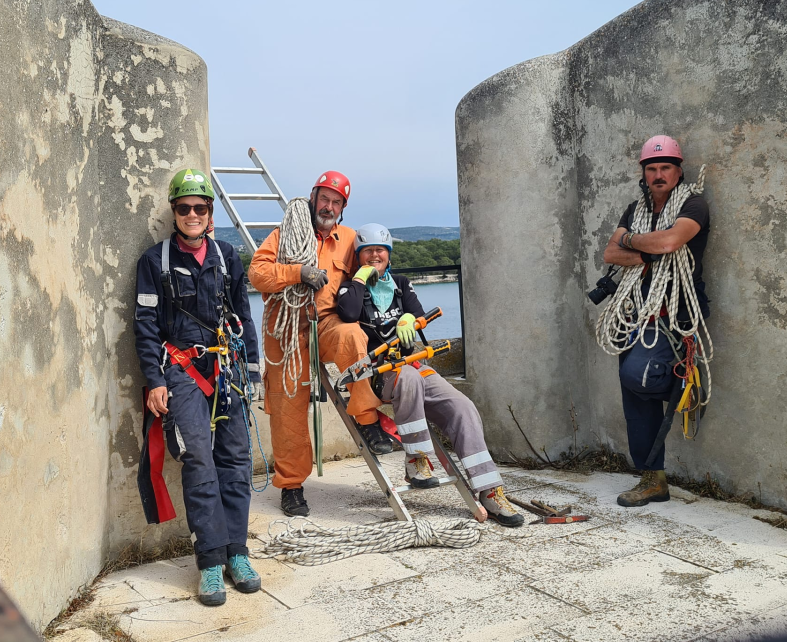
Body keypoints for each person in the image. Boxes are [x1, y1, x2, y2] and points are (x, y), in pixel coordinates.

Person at [335, 223, 525, 527]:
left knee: (462, 407)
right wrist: (360, 278)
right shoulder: (349, 288)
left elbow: (417, 312)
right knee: (408, 379)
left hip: (412, 364)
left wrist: (409, 319)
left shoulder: (400, 284)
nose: (374, 256)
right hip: (379, 374)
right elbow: (347, 312)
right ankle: (416, 460)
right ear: (358, 256)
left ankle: (489, 489)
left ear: (389, 254)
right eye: (367, 251)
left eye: (380, 250)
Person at [133, 168, 262, 606]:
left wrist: (252, 372)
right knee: (199, 461)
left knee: (236, 459)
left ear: (210, 213)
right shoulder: (155, 262)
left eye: (200, 208)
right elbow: (145, 327)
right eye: (185, 207)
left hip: (226, 368)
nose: (192, 214)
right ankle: (209, 561)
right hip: (181, 371)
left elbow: (243, 317)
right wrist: (154, 380)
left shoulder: (226, 257)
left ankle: (237, 553)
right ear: (174, 211)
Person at [248, 172, 394, 518]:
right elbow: (257, 273)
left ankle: (367, 420)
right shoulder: (284, 235)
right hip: (286, 330)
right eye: (324, 199)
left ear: (343, 207)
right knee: (288, 409)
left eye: (336, 202)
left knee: (352, 336)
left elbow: (375, 274)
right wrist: (298, 272)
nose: (329, 206)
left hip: (327, 322)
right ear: (313, 198)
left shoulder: (350, 239)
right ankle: (291, 486)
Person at [601, 135, 710, 507]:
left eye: (666, 167)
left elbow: (669, 242)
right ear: (644, 173)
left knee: (639, 377)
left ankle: (683, 389)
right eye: (652, 168)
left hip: (674, 312)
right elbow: (611, 253)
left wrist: (634, 242)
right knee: (632, 394)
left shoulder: (693, 205)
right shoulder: (636, 209)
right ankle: (653, 478)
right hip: (636, 310)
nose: (659, 174)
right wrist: (646, 250)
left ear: (678, 171)